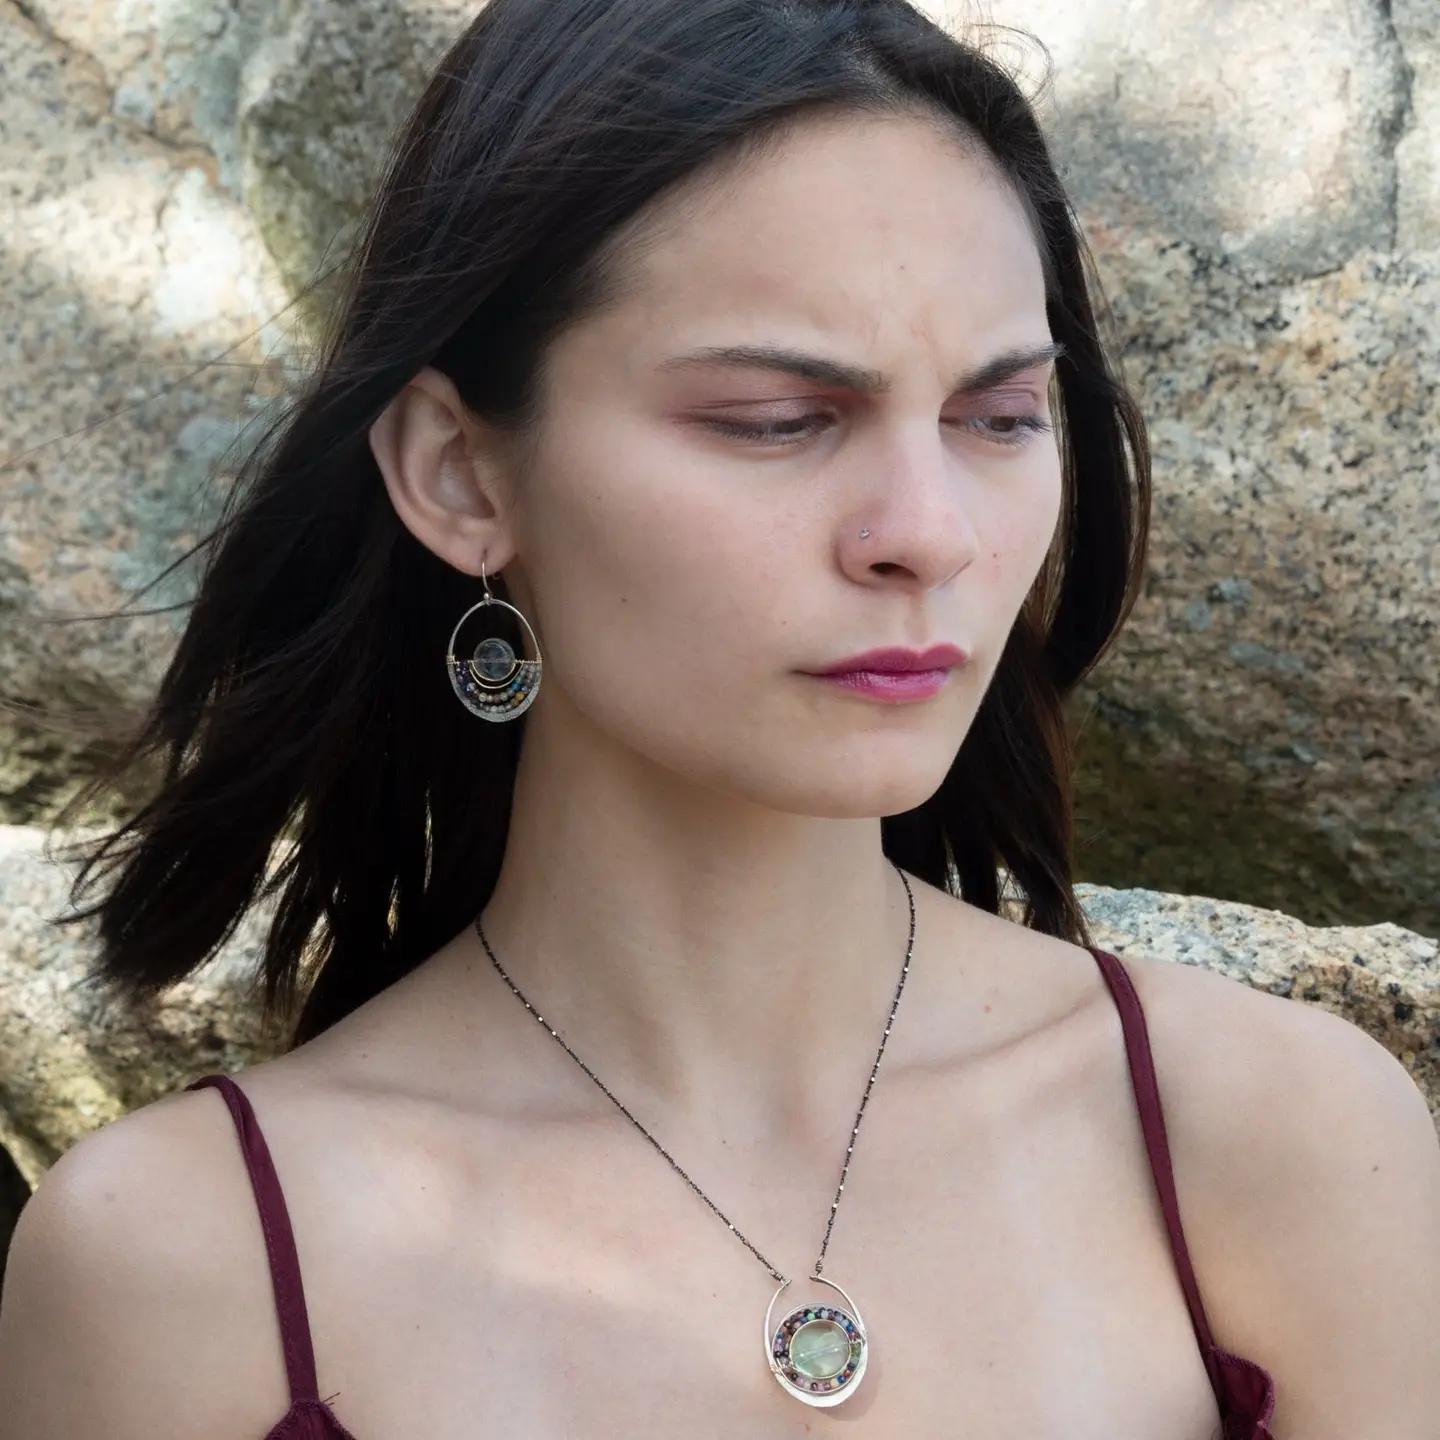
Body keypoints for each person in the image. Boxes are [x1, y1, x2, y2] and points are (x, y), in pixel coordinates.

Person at [2, 0, 1437, 1435]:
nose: (926, 535)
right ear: (459, 475)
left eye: (998, 417)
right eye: (776, 420)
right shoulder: (192, 1266)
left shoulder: (1278, 1135)